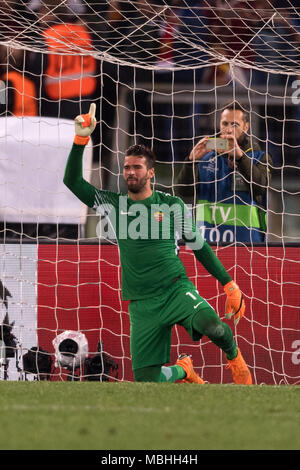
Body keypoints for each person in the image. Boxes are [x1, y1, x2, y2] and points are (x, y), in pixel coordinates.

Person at [63, 103, 252, 385]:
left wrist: (229, 284)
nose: (130, 172)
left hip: (176, 289)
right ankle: (183, 370)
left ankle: (235, 357)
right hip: (141, 302)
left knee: (215, 327)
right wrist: (80, 140)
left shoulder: (170, 204)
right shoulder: (114, 204)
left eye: (137, 167)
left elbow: (198, 246)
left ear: (151, 173)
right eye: (127, 167)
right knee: (148, 381)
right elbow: (73, 181)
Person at [176, 104, 272, 244]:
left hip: (247, 244)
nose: (228, 129)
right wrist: (191, 161)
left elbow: (260, 188)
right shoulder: (206, 155)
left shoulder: (259, 156)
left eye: (235, 124)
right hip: (207, 242)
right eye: (225, 123)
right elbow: (183, 191)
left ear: (246, 127)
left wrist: (240, 158)